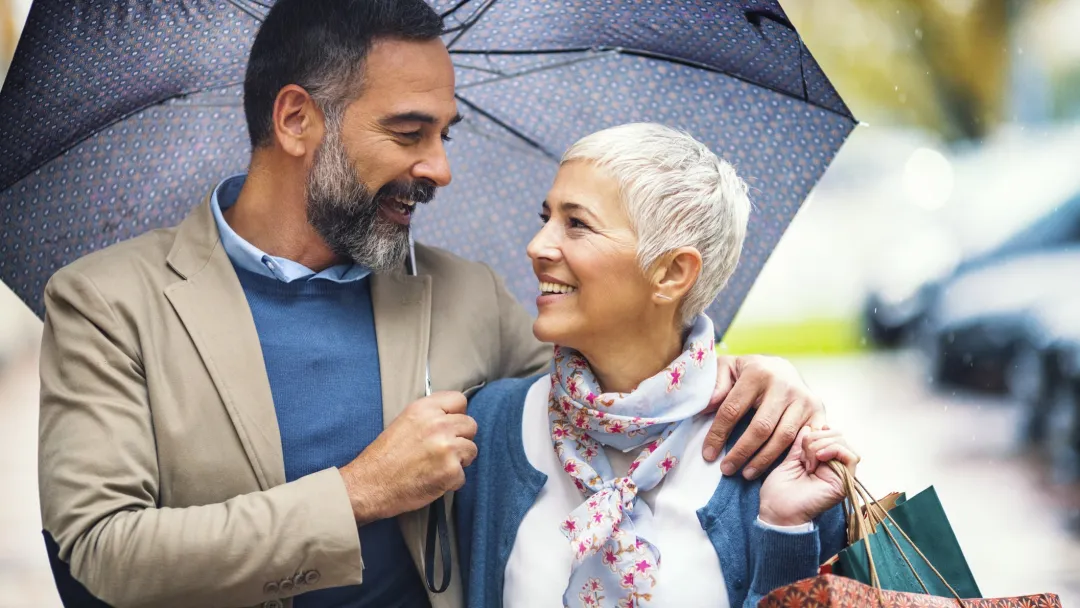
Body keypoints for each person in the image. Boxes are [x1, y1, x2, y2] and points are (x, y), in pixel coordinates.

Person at [38, 2, 829, 607]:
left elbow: (616, 395)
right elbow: (102, 552)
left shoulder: (465, 297)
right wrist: (358, 493)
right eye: (410, 132)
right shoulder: (107, 304)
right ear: (295, 119)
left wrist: (748, 376)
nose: (439, 168)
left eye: (445, 133)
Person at [456, 123, 858, 608]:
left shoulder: (777, 455)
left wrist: (785, 531)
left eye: (576, 223)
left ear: (671, 273)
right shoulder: (487, 430)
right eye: (546, 217)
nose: (538, 245)